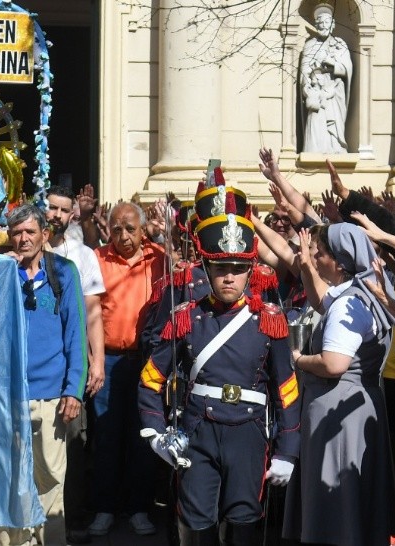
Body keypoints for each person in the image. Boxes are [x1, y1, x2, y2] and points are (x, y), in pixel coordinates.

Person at [139, 187, 299, 546]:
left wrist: (288, 450)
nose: (229, 277)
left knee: (243, 524)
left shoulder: (268, 320)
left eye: (238, 269)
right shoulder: (187, 319)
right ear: (207, 268)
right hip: (199, 430)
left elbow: (285, 390)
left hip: (249, 432)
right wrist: (155, 432)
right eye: (221, 268)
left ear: (250, 271)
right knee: (196, 525)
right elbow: (151, 379)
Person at [285, 223, 395, 546]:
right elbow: (321, 300)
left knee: (337, 509)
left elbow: (334, 363)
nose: (317, 259)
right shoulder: (361, 292)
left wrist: (299, 359)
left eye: (320, 255)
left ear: (340, 261)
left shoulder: (350, 304)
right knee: (351, 508)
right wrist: (306, 266)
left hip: (340, 417)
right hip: (356, 407)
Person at [0, 205, 87, 546]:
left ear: (44, 235)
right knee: (10, 479)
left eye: (30, 232)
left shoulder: (63, 272)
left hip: (50, 395)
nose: (23, 239)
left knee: (49, 479)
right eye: (17, 233)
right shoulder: (0, 273)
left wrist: (73, 390)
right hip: (7, 396)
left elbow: (76, 335)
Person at [89, 201, 164, 536]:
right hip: (108, 361)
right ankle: (104, 508)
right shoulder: (98, 259)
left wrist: (170, 237)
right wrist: (96, 363)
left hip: (148, 363)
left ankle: (139, 508)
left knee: (143, 436)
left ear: (143, 227)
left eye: (130, 228)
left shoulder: (159, 258)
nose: (123, 235)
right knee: (105, 437)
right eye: (116, 228)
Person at [44, 186, 105, 543]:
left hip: (71, 362)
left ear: (72, 216)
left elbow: (93, 310)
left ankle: (72, 520)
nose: (54, 214)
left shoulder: (82, 255)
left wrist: (96, 359)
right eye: (49, 207)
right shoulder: (22, 247)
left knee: (72, 442)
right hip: (33, 365)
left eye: (62, 210)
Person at [299, 1, 352, 154]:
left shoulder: (340, 45)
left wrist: (332, 64)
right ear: (316, 25)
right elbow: (304, 70)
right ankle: (314, 150)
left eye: (326, 22)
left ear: (332, 24)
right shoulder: (310, 45)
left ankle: (335, 147)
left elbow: (347, 68)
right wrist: (308, 84)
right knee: (316, 121)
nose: (323, 25)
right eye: (320, 22)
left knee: (334, 123)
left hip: (334, 92)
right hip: (316, 91)